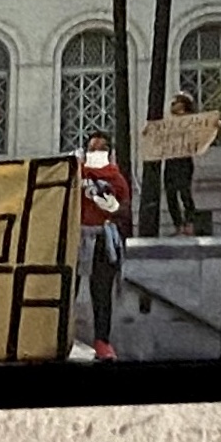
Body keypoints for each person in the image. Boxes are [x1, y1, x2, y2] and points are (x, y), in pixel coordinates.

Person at [77, 131, 129, 362]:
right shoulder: (75, 172)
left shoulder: (116, 178)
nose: (96, 152)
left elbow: (125, 209)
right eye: (92, 148)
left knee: (101, 293)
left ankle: (102, 342)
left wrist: (110, 205)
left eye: (101, 149)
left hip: (103, 239)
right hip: (76, 238)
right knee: (66, 291)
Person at [162, 92, 199, 236]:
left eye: (176, 102)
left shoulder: (192, 122)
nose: (172, 104)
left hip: (184, 161)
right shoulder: (168, 124)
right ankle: (178, 225)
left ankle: (189, 224)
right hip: (171, 160)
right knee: (170, 194)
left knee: (184, 193)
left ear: (183, 104)